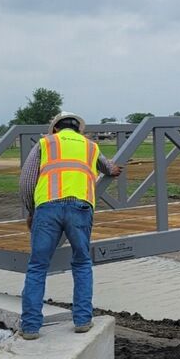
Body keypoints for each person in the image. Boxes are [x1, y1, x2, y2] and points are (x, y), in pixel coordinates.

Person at [18, 112, 122, 339]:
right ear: (78, 130)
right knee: (82, 262)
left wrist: (31, 212)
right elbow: (107, 167)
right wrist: (113, 169)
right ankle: (83, 321)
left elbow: (26, 181)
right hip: (80, 208)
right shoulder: (90, 146)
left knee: (37, 266)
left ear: (55, 128)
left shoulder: (45, 143)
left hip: (48, 208)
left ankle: (30, 327)